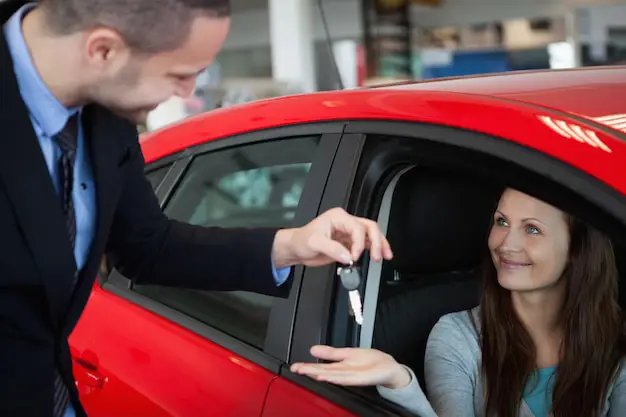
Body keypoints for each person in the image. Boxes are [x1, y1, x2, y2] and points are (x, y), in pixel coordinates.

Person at [0, 1, 394, 416]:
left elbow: (148, 246)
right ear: (103, 51)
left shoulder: (106, 111)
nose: (189, 93)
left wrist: (293, 244)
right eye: (180, 74)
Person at [291, 188, 626, 417]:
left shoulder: (616, 344)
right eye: (501, 221)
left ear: (577, 250)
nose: (506, 243)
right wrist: (400, 383)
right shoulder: (458, 336)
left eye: (532, 230)